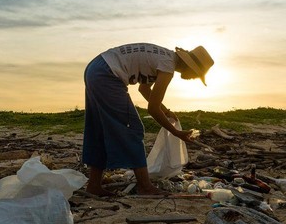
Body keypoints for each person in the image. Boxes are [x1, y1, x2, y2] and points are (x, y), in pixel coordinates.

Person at [82, 42, 214, 196]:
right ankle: (145, 186)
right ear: (190, 66)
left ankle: (93, 185)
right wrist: (176, 132)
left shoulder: (164, 58)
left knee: (99, 129)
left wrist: (166, 111)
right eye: (196, 74)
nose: (193, 78)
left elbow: (144, 88)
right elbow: (152, 108)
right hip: (107, 74)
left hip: (95, 68)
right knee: (133, 129)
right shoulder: (167, 66)